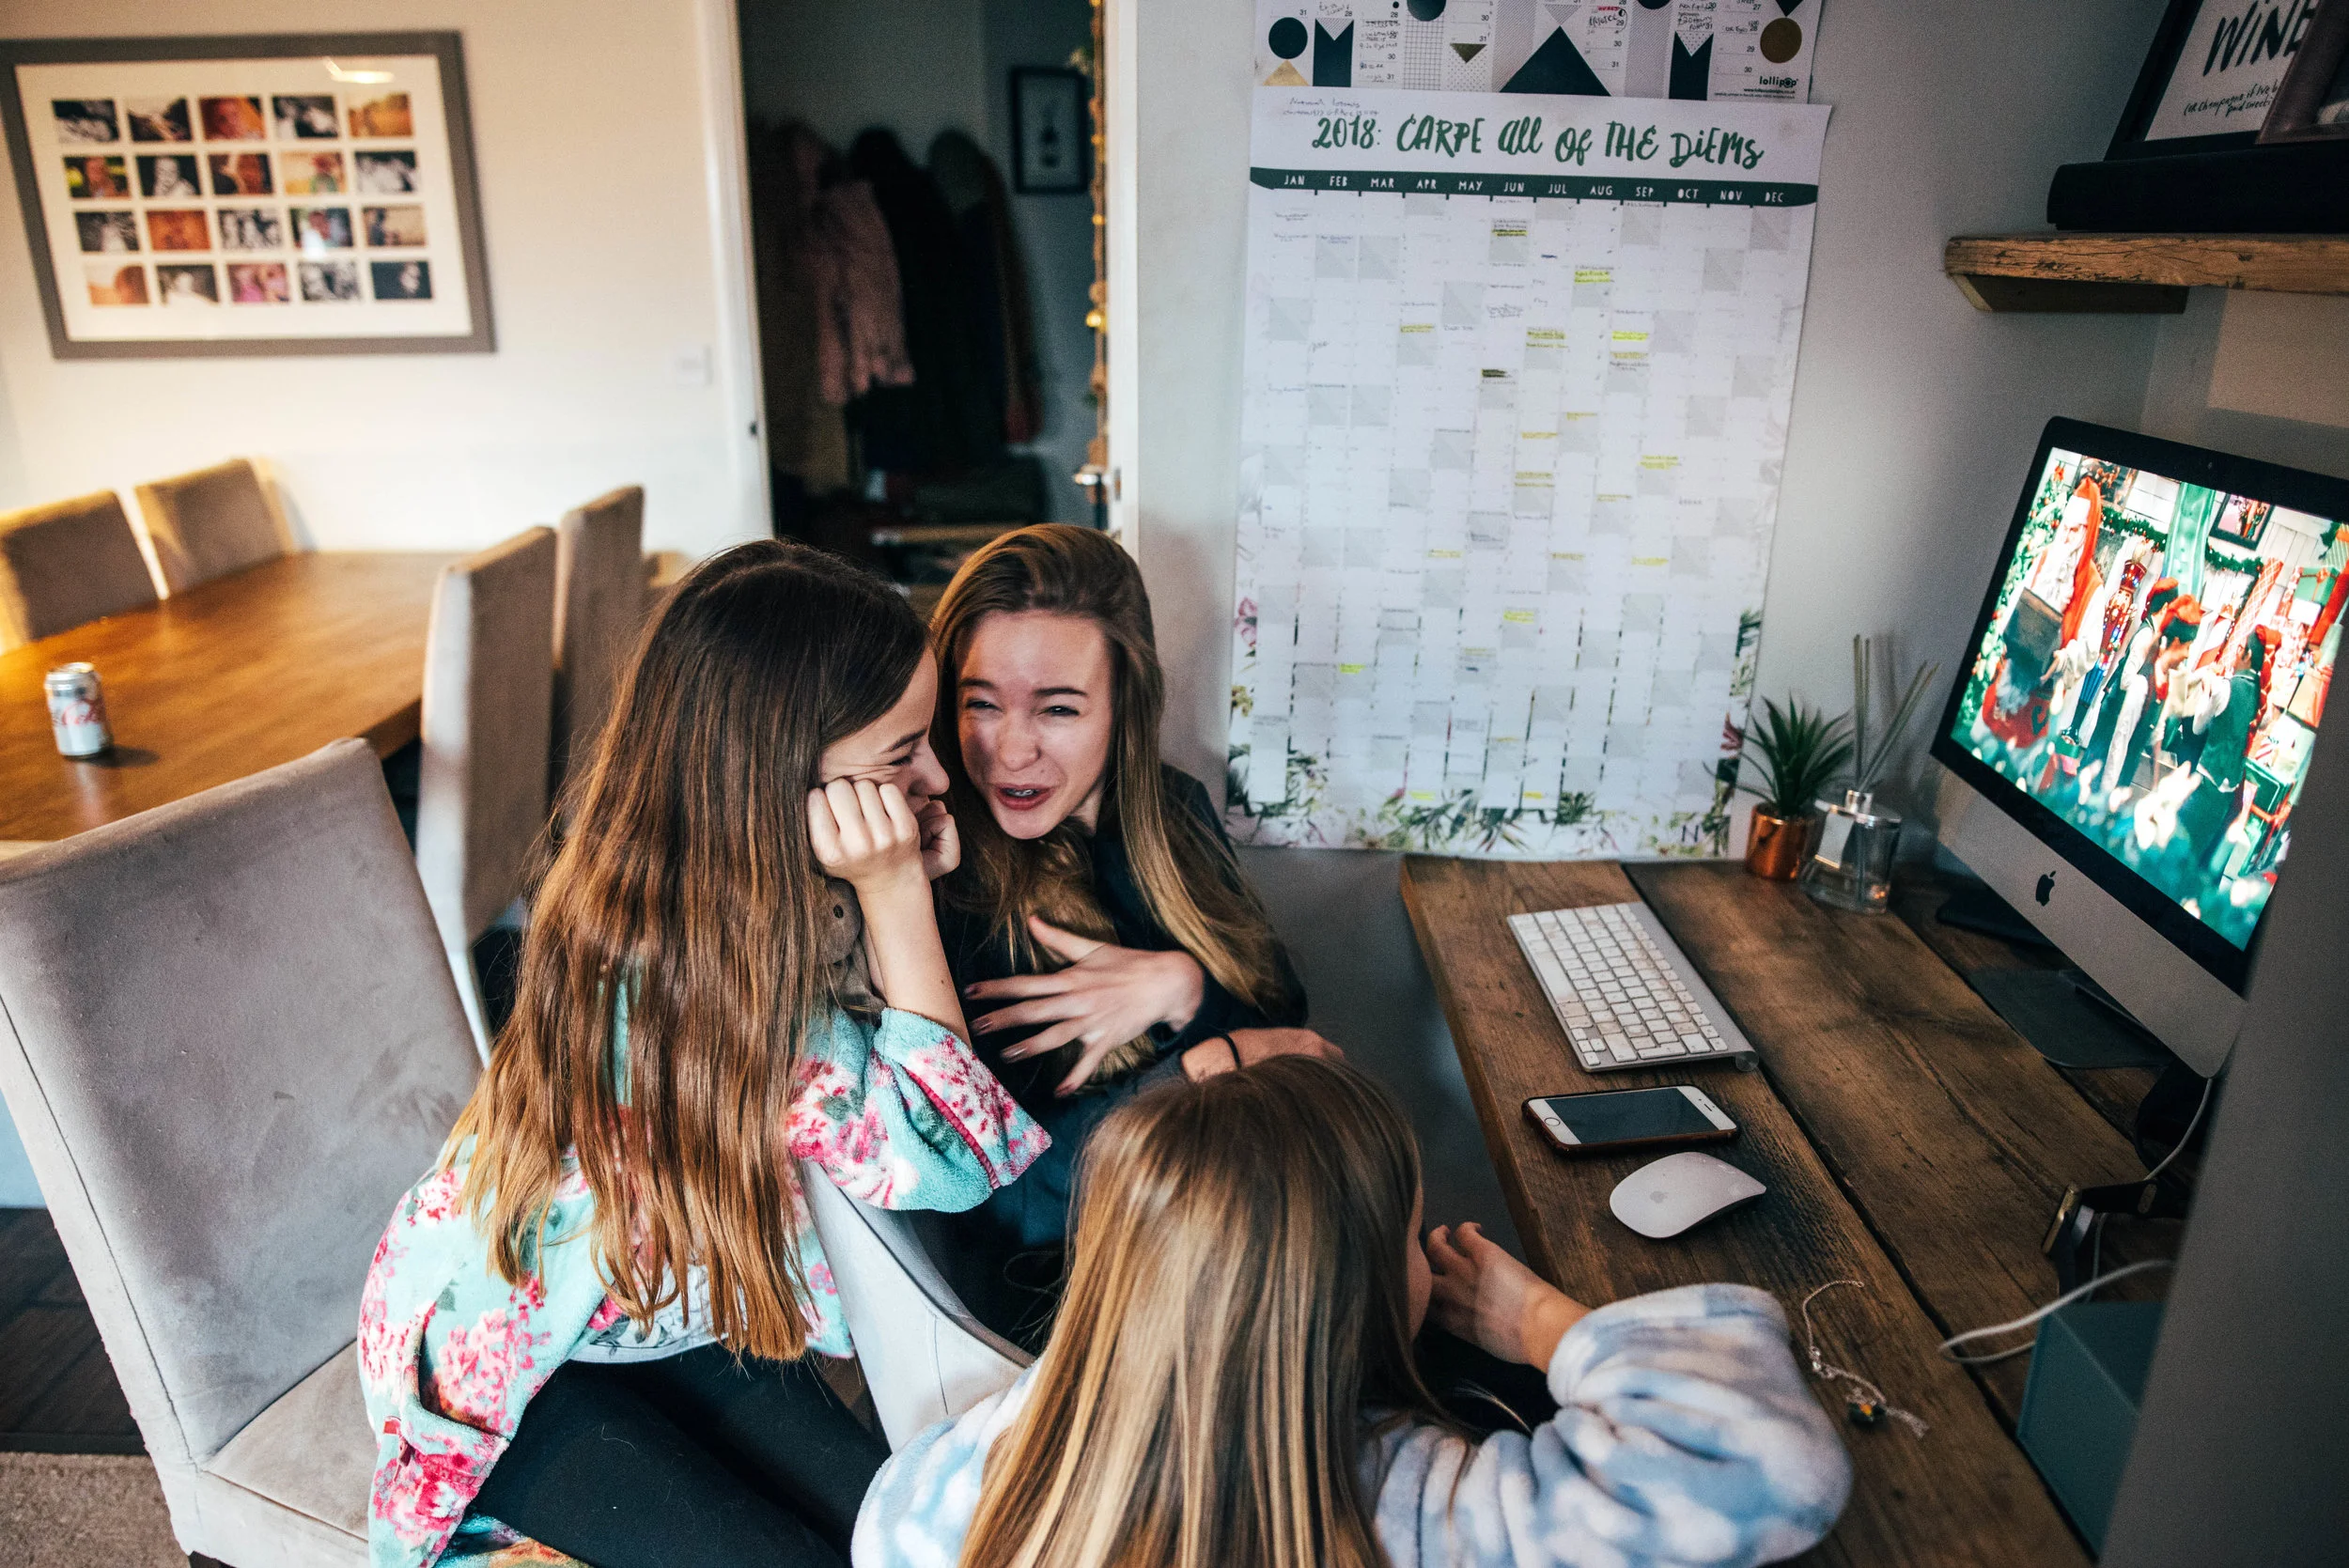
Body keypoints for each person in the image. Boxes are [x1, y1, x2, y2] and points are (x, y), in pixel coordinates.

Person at [359, 541, 1049, 1568]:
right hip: (517, 1369)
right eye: (902, 755)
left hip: (660, 1319)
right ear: (788, 780)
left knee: (915, 1530)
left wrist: (896, 883)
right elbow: (944, 1156)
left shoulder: (735, 895)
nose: (938, 777)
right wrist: (896, 890)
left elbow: (887, 1066)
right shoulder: (694, 982)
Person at [854, 1055, 1852, 1568]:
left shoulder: (955, 1490)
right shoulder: (1429, 1520)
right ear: (1354, 1289)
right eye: (1411, 1227)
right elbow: (1772, 1464)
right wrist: (1540, 1320)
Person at [925, 524, 1335, 1340]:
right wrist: (1197, 1064)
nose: (1011, 749)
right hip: (1083, 1295)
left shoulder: (1168, 811)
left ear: (1123, 705)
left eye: (1059, 708)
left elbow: (1286, 1016)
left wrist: (1182, 988)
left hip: (1235, 1238)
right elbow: (1000, 1204)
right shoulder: (946, 877)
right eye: (980, 703)